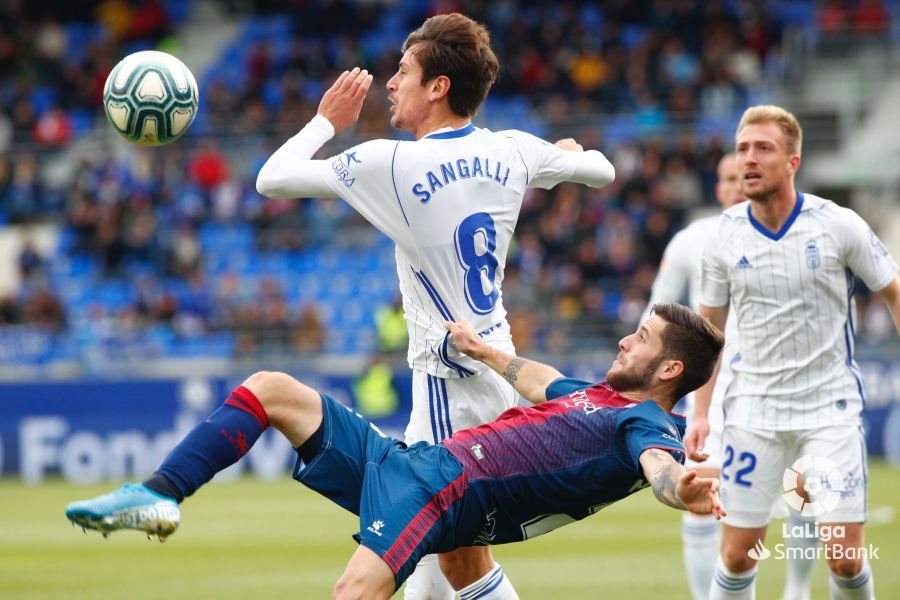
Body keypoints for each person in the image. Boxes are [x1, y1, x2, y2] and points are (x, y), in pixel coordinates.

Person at [254, 12, 616, 599]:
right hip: (492, 358)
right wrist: (562, 156)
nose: (391, 83)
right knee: (426, 554)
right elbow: (603, 170)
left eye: (403, 72)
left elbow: (271, 180)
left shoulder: (393, 162)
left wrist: (326, 120)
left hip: (454, 380)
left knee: (455, 558)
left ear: (438, 86)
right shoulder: (513, 150)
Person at [66, 303, 726, 599]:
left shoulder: (644, 425)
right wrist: (486, 350)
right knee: (272, 389)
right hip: (410, 465)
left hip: (447, 490)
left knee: (354, 592)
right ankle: (158, 494)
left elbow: (660, 467)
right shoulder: (594, 395)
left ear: (668, 371)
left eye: (640, 338)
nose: (623, 342)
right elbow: (538, 379)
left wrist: (681, 490)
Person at [686, 105, 900, 600]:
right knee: (738, 555)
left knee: (845, 558)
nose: (749, 160)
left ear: (792, 162)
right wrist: (700, 412)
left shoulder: (837, 225)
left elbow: (891, 290)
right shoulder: (722, 235)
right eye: (742, 149)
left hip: (829, 410)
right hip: (753, 414)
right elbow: (706, 332)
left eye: (763, 148)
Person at [643, 154, 816, 599]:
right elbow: (656, 312)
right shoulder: (691, 240)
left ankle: (797, 591)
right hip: (713, 393)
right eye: (728, 179)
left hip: (786, 384)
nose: (738, 186)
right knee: (703, 501)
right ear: (718, 189)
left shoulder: (797, 237)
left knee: (804, 491)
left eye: (745, 178)